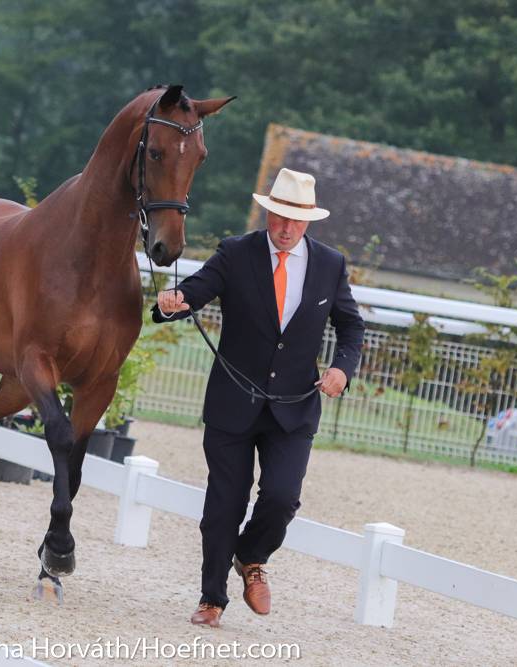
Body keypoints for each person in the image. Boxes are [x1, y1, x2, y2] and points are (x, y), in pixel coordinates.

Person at [151, 167, 365, 628]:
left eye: (296, 220)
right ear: (268, 213)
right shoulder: (236, 252)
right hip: (233, 400)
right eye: (279, 217)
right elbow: (197, 291)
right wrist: (173, 302)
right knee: (225, 502)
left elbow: (351, 325)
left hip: (294, 405)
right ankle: (212, 598)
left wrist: (342, 369)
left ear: (309, 220)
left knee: (283, 497)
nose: (286, 229)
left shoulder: (330, 264)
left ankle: (250, 554)